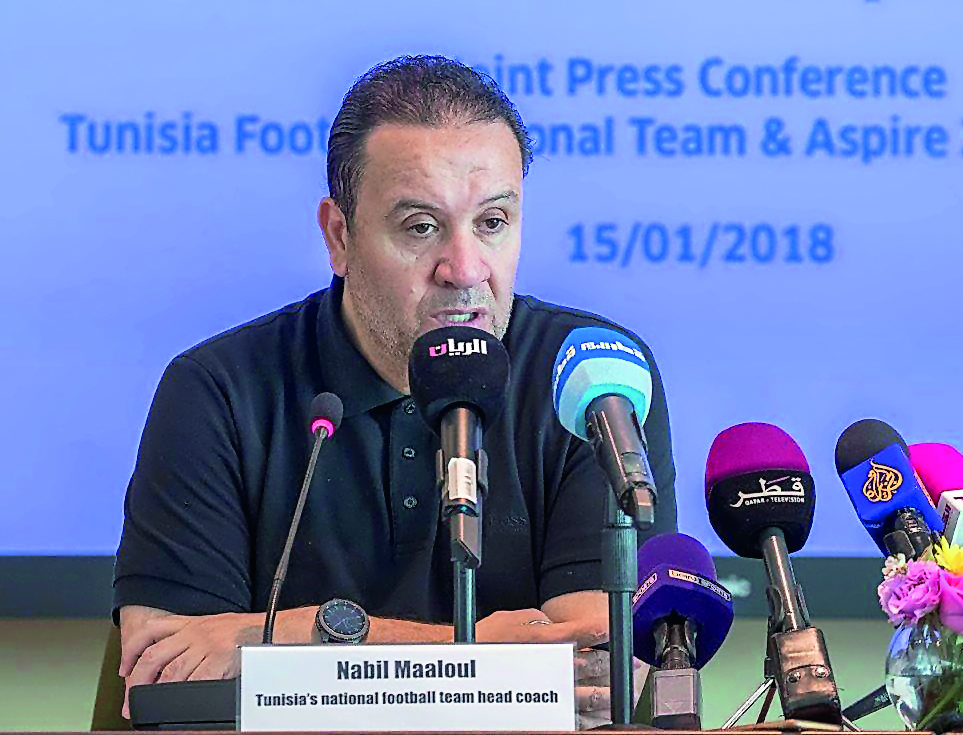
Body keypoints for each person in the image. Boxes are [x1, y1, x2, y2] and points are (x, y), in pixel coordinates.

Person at [113, 55, 678, 727]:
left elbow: (600, 673)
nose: (464, 269)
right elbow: (165, 671)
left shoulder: (589, 377)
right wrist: (486, 653)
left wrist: (290, 636)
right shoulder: (217, 389)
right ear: (339, 236)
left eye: (493, 222)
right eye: (420, 227)